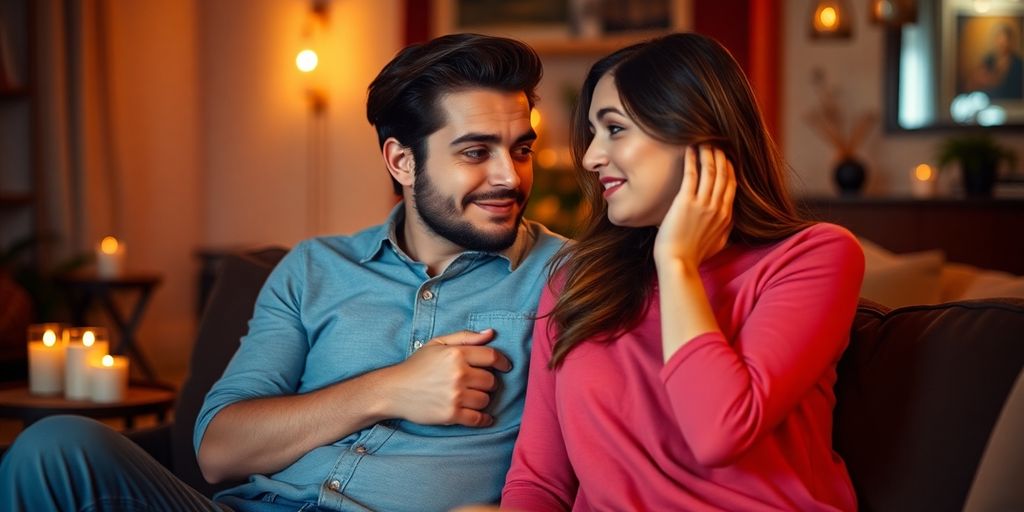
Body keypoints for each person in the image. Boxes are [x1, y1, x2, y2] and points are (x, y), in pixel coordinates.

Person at [0, 33, 565, 512]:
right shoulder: (315, 267)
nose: (509, 178)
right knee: (53, 445)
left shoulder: (567, 275)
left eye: (520, 150)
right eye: (474, 152)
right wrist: (391, 389)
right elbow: (219, 451)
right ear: (401, 161)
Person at [501, 33, 863, 511]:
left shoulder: (815, 257)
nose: (590, 158)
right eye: (592, 133)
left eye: (614, 129)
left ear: (695, 135)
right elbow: (540, 481)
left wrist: (676, 263)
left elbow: (719, 433)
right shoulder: (575, 282)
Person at [968, 22, 1024, 100]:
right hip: (989, 101)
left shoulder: (1018, 64)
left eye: (1005, 41)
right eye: (1000, 40)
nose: (1002, 44)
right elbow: (976, 79)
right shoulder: (989, 59)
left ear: (1011, 42)